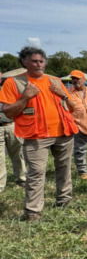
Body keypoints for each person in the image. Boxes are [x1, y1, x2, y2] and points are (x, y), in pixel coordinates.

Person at [0, 46, 78, 221]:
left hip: (64, 132)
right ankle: (33, 212)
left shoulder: (55, 81)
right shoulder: (13, 83)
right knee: (36, 173)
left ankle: (64, 201)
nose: (39, 64)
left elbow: (73, 107)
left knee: (64, 169)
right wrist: (26, 96)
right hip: (36, 136)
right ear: (24, 62)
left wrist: (63, 95)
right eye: (34, 61)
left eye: (41, 61)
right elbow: (9, 113)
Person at [0, 72, 26, 192]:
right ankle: (1, 186)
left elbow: (19, 105)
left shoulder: (8, 88)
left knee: (18, 154)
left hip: (11, 125)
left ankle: (22, 179)